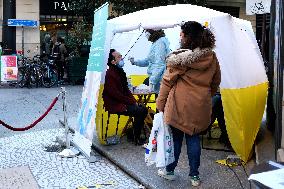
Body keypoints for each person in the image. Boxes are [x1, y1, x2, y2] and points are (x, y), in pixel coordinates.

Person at [156, 21, 221, 187]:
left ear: (188, 37)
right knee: (193, 139)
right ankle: (194, 176)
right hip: (201, 105)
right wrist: (205, 96)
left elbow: (167, 81)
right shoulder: (211, 57)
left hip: (179, 105)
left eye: (182, 34)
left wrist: (160, 104)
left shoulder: (180, 59)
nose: (180, 36)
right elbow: (216, 82)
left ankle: (169, 171)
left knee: (176, 139)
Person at [103, 49, 148, 145]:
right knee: (140, 111)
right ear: (113, 62)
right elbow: (116, 94)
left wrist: (133, 101)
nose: (122, 58)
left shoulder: (119, 71)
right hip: (115, 104)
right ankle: (136, 137)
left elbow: (126, 89)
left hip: (122, 102)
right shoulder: (110, 74)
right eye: (119, 57)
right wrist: (131, 102)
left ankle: (133, 133)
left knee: (143, 108)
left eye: (121, 56)